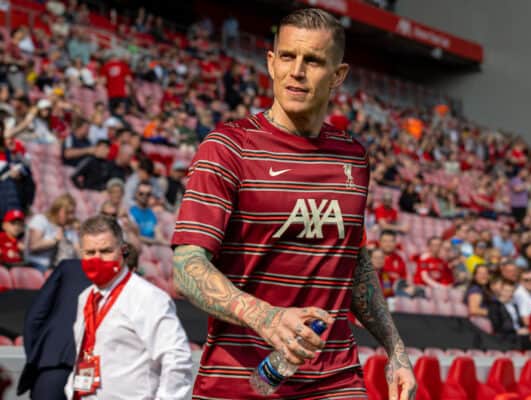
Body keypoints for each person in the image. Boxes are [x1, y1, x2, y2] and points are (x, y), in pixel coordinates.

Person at [172, 9, 416, 400]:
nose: (297, 71)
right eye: (287, 56)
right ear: (271, 62)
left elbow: (353, 261)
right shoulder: (228, 148)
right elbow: (186, 267)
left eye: (314, 60)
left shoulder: (353, 157)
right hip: (241, 379)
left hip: (335, 379)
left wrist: (396, 351)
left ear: (338, 75)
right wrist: (267, 318)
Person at [65, 215, 193, 399]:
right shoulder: (85, 298)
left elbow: (176, 357)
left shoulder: (148, 297)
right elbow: (83, 352)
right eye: (90, 252)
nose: (97, 259)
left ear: (123, 250)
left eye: (106, 251)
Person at [18, 259, 91, 400]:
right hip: (100, 372)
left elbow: (34, 318)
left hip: (54, 360)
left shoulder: (69, 267)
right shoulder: (135, 286)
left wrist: (40, 356)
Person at [25, 194, 77, 272]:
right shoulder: (40, 220)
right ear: (57, 210)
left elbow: (78, 250)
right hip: (36, 264)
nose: (71, 217)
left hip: (56, 268)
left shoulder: (69, 229)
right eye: (68, 213)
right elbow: (33, 246)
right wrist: (55, 240)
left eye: (72, 213)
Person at [487, 279, 529, 347]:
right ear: (500, 291)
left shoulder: (515, 305)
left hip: (520, 335)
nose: (510, 294)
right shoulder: (494, 306)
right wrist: (516, 331)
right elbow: (497, 326)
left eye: (512, 291)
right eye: (507, 291)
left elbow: (520, 323)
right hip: (505, 337)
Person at [129, 181, 169, 246]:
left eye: (148, 194)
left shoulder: (152, 212)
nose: (144, 196)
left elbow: (157, 232)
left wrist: (166, 243)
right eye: (141, 193)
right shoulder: (130, 212)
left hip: (153, 246)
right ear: (136, 194)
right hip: (140, 247)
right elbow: (136, 236)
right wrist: (157, 241)